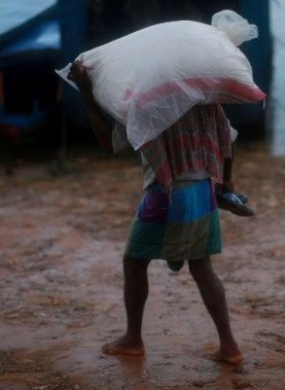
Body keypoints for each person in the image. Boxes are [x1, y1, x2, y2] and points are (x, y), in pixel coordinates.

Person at [68, 61, 243, 364]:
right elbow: (229, 140)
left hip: (168, 192)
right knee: (202, 266)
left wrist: (86, 94)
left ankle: (133, 339)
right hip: (203, 190)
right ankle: (229, 346)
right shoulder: (203, 97)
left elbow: (109, 144)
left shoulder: (145, 102)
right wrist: (226, 181)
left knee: (134, 262)